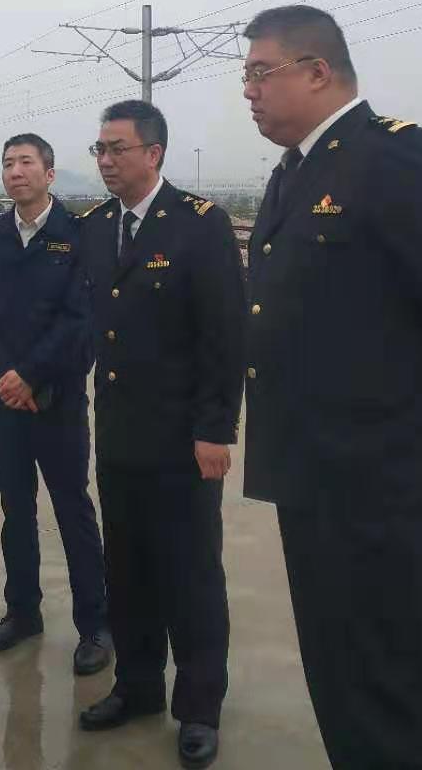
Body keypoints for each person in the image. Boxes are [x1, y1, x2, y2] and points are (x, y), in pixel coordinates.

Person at [240, 5, 422, 770]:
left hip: (389, 485)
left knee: (400, 694)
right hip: (316, 480)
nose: (248, 91)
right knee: (342, 685)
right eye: (245, 77)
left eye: (261, 73)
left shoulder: (397, 157)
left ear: (317, 72)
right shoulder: (295, 173)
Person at [74, 100, 244, 770]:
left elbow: (224, 336)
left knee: (191, 576)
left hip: (183, 441)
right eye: (99, 149)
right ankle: (138, 687)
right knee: (129, 571)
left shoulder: (199, 225)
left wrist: (215, 430)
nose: (105, 161)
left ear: (155, 153)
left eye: (116, 148)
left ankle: (199, 706)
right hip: (120, 435)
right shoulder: (96, 228)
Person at [0, 132, 110, 674]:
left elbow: (81, 319)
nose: (16, 171)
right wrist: (4, 375)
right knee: (15, 507)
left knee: (72, 507)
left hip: (58, 400)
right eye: (8, 163)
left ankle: (95, 624)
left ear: (49, 174)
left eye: (26, 162)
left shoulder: (78, 236)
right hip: (2, 399)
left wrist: (30, 374)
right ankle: (23, 611)